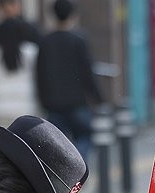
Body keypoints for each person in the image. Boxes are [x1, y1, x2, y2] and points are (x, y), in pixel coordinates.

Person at [35, 0, 104, 161]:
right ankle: (77, 166)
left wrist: (43, 101)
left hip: (53, 105)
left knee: (56, 146)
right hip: (77, 103)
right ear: (72, 15)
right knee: (85, 137)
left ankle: (65, 174)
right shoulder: (79, 40)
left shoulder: (45, 42)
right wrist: (99, 99)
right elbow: (88, 73)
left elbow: (39, 74)